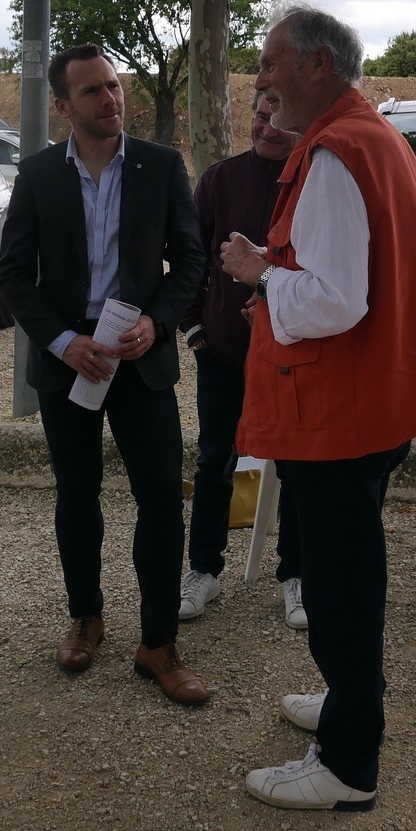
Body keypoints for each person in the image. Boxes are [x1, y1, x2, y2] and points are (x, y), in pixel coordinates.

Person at [219, 6, 416, 812]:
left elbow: (333, 299)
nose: (261, 79)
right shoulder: (373, 139)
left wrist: (259, 274)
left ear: (317, 64)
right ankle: (349, 701)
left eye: (270, 62)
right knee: (344, 573)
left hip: (339, 413)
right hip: (368, 402)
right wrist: (277, 281)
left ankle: (349, 763)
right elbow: (354, 279)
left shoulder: (334, 152)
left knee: (340, 585)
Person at [0, 44, 210, 705]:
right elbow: (14, 276)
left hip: (138, 357)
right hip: (71, 360)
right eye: (92, 91)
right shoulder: (38, 175)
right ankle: (85, 615)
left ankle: (159, 642)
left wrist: (158, 321)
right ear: (63, 106)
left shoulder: (160, 166)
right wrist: (62, 342)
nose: (111, 99)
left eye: (114, 86)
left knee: (161, 499)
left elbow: (191, 261)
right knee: (77, 495)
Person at [176, 91, 306, 628]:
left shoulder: (313, 182)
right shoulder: (218, 181)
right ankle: (203, 569)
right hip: (224, 352)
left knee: (297, 463)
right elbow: (189, 258)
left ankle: (296, 574)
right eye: (259, 116)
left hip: (293, 352)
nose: (267, 128)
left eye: (278, 118)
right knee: (214, 461)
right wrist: (195, 329)